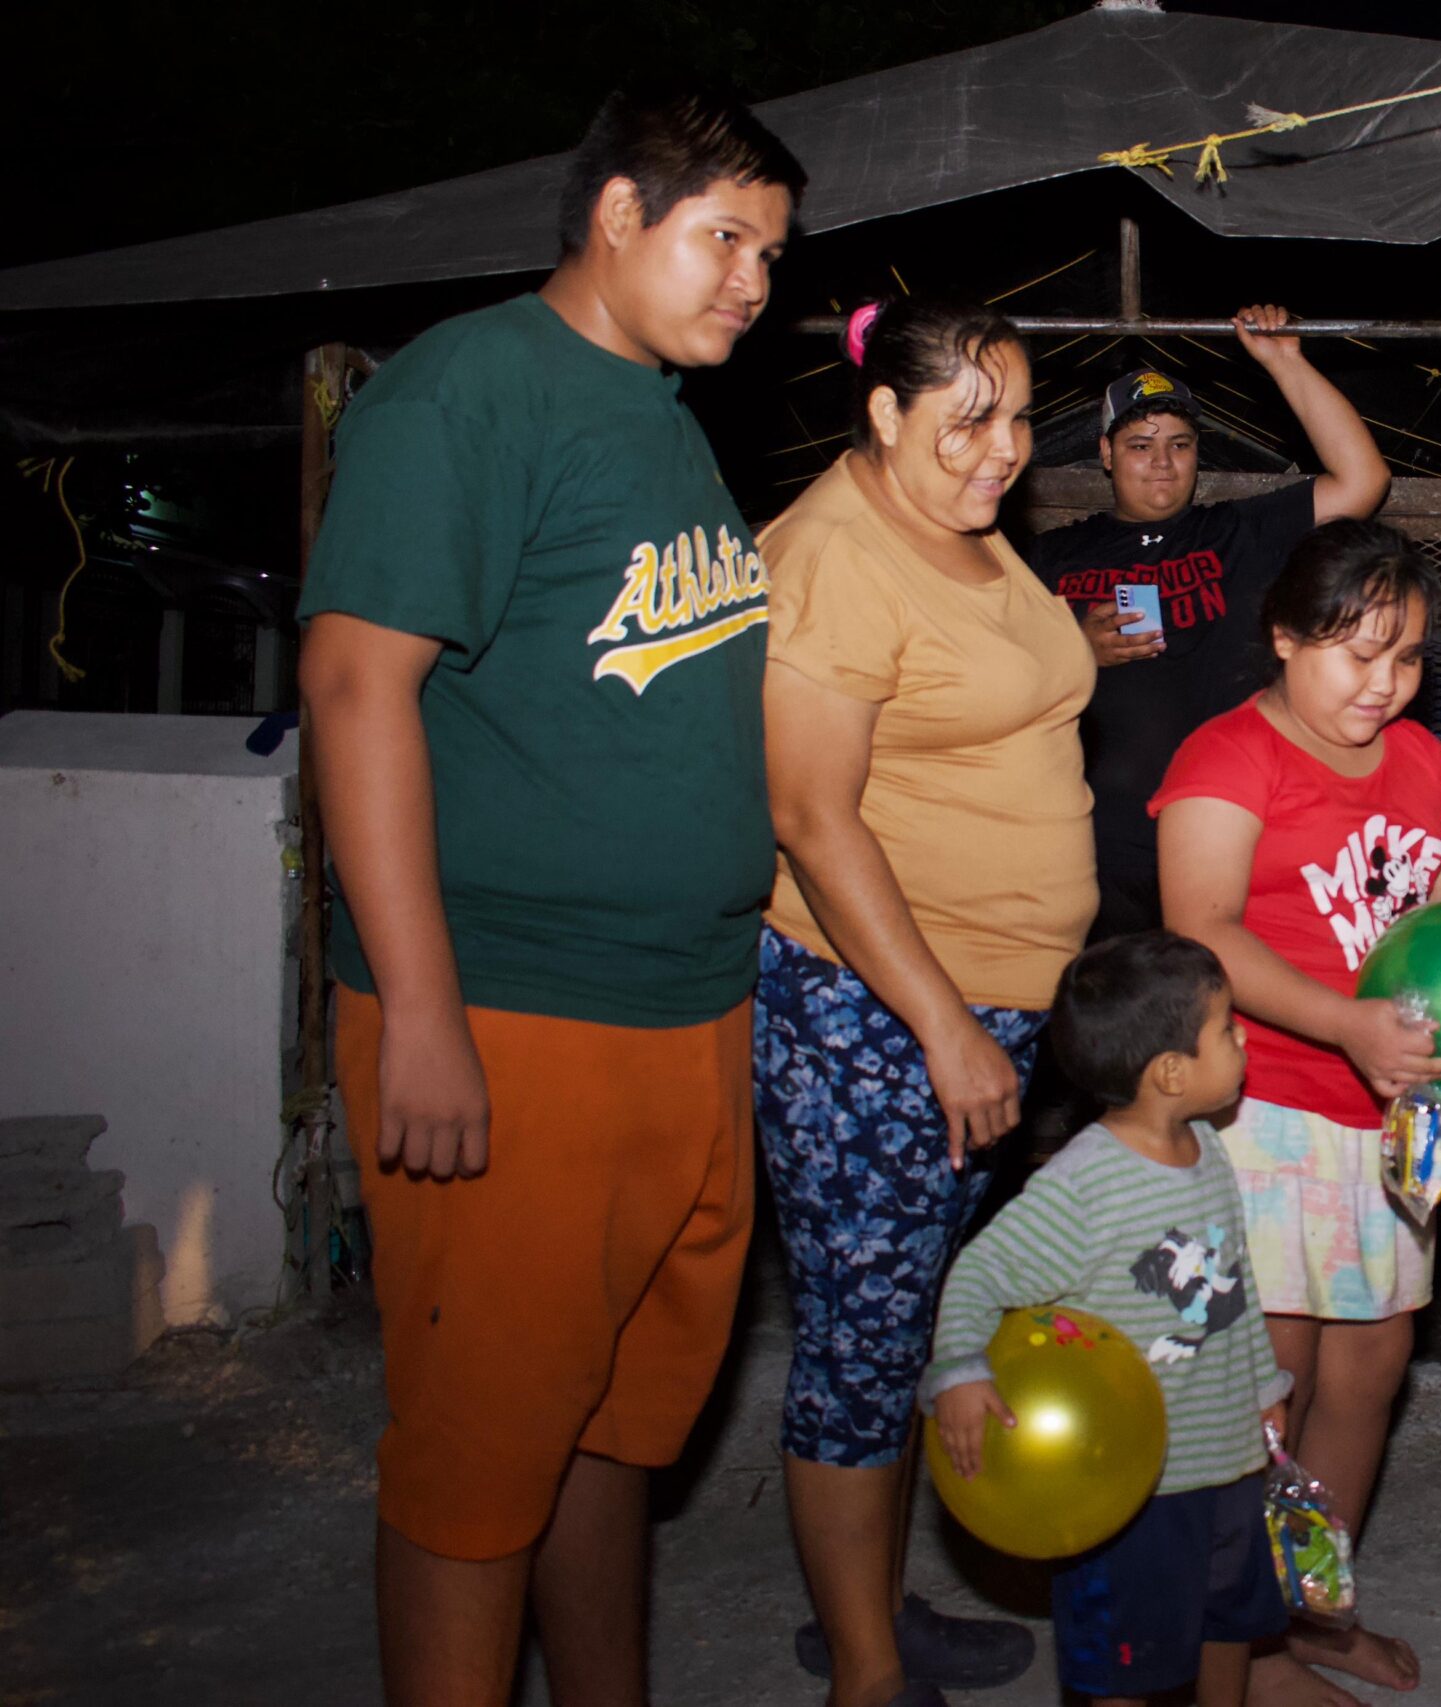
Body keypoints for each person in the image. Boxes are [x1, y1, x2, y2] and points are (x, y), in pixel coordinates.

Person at [297, 91, 803, 1707]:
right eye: (724, 237)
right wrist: (421, 1009)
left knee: (612, 1426)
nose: (753, 282)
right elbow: (356, 686)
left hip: (685, 1011)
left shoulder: (663, 419)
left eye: (772, 254)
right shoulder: (472, 389)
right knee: (479, 1454)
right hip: (518, 1011)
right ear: (616, 214)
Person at [755, 296, 1094, 1707]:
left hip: (974, 1010)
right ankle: (868, 1673)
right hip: (877, 1019)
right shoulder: (836, 552)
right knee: (859, 1343)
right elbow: (811, 815)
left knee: (904, 1326)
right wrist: (945, 1025)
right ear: (884, 413)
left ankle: (874, 1614)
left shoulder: (956, 522)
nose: (1002, 448)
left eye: (1016, 417)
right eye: (968, 421)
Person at [1155, 518, 1441, 1703]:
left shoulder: (1424, 763)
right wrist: (1345, 1025)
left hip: (1388, 1121)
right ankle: (1247, 1651)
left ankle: (1315, 1610)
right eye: (1356, 652)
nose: (1383, 683)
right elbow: (1201, 930)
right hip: (1266, 1111)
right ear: (1284, 636)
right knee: (1267, 1393)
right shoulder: (1228, 756)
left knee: (1368, 1374)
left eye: (1407, 657)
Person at [927, 932, 1293, 1707]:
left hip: (1227, 1458)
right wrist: (959, 1369)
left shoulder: (1207, 1147)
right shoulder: (1083, 1187)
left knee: (1228, 1621)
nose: (1244, 1040)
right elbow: (979, 1273)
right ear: (1171, 1072)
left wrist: (1263, 1384)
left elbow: (1232, 1285)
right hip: (1136, 1486)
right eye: (1227, 1028)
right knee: (1129, 1657)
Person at [1025, 307, 1391, 941]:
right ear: (1106, 454)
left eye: (1179, 444)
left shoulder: (1235, 532)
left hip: (1227, 826)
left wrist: (1285, 361)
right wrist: (1072, 647)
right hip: (1095, 841)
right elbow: (995, 673)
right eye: (1140, 446)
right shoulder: (1052, 555)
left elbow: (1364, 479)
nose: (1162, 462)